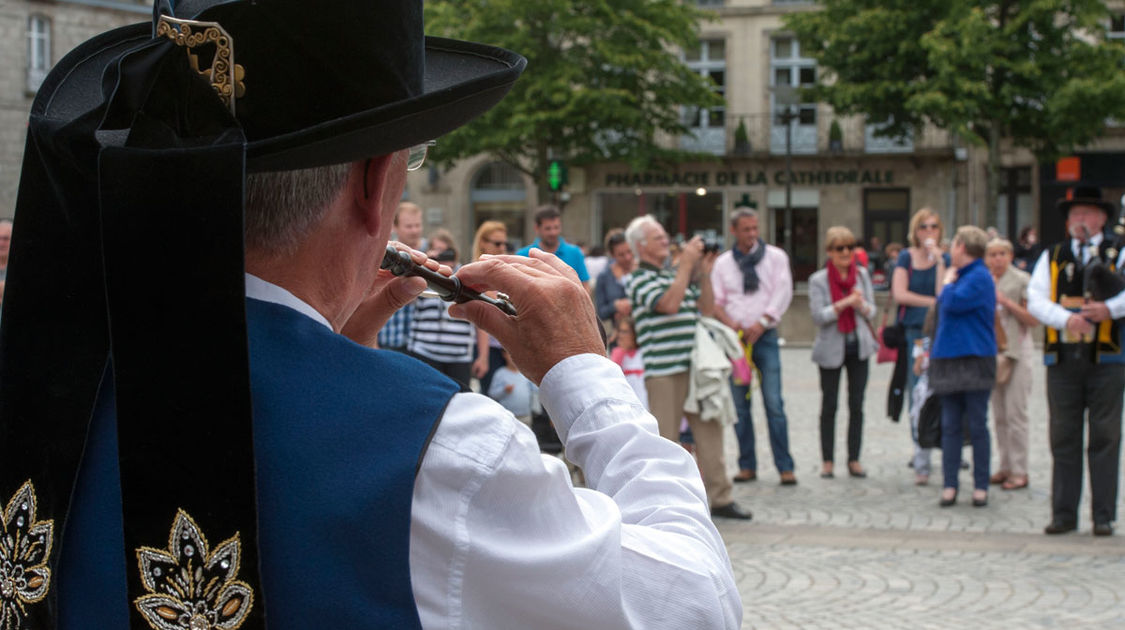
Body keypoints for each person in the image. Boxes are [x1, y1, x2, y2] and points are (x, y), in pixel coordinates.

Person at [7, 2, 741, 627]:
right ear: (375, 182)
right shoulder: (440, 449)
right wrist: (585, 373)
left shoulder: (39, 376)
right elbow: (696, 603)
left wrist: (321, 357)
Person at [626, 214, 751, 520]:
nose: (666, 241)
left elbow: (706, 309)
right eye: (658, 238)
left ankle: (721, 498)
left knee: (710, 431)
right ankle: (665, 501)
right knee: (666, 439)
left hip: (695, 366)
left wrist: (704, 272)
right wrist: (685, 267)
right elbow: (668, 305)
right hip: (664, 371)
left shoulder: (674, 275)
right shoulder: (638, 279)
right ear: (641, 247)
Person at [1028, 186, 1125, 537]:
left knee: (1106, 436)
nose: (1078, 221)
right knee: (1063, 436)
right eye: (1074, 216)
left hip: (1108, 358)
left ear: (1100, 218)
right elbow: (1035, 298)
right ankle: (1064, 513)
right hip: (1064, 357)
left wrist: (1108, 310)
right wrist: (1065, 319)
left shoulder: (1119, 250)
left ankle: (1103, 516)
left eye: (1085, 214)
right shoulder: (1053, 255)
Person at [711, 206, 798, 486]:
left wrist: (761, 323)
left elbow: (782, 292)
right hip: (736, 342)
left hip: (766, 336)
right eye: (746, 229)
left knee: (774, 403)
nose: (751, 234)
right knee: (740, 404)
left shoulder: (775, 257)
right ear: (734, 231)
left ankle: (785, 466)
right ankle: (747, 465)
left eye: (755, 229)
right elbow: (717, 301)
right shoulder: (723, 263)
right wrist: (734, 325)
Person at [931, 226, 996, 508]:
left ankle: (980, 485)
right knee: (950, 425)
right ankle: (950, 483)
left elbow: (952, 303)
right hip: (948, 357)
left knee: (977, 424)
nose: (950, 249)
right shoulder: (959, 276)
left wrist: (946, 282)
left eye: (953, 244)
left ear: (962, 247)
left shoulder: (979, 276)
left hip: (975, 357)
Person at [808, 227, 878, 479]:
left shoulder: (861, 275)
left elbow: (873, 311)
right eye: (840, 248)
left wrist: (860, 305)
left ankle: (854, 459)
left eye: (850, 247)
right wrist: (843, 304)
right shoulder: (818, 280)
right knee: (829, 406)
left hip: (858, 347)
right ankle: (827, 461)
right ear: (829, 252)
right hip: (831, 349)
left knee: (856, 405)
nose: (846, 253)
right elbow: (818, 316)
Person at [891, 208, 949, 485]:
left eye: (934, 226)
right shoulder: (906, 257)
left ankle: (944, 444)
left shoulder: (944, 258)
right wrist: (930, 303)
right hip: (916, 331)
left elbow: (943, 293)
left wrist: (939, 261)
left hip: (941, 332)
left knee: (943, 388)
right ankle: (920, 450)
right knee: (917, 390)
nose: (929, 232)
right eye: (923, 227)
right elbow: (900, 293)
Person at [986, 238, 1038, 491]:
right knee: (999, 414)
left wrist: (1006, 302)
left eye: (1002, 253)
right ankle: (1004, 465)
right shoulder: (984, 279)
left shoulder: (1021, 280)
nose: (997, 259)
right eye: (993, 254)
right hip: (992, 352)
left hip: (1017, 351)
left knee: (1016, 413)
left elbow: (1033, 318)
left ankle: (1019, 470)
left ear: (1009, 256)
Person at [407, 231, 475, 386]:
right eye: (436, 250)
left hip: (459, 355)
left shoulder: (465, 275)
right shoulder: (422, 274)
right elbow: (409, 300)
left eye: (445, 251)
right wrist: (425, 267)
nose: (441, 255)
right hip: (424, 350)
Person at [377, 203, 425, 352]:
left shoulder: (430, 254)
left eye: (417, 225)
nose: (414, 230)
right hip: (388, 338)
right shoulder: (384, 256)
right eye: (409, 226)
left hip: (420, 345)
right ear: (395, 227)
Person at [470, 220, 509, 395]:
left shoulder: (505, 270)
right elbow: (481, 318)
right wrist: (483, 357)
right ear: (483, 243)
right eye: (497, 243)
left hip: (507, 347)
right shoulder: (475, 272)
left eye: (504, 243)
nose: (502, 248)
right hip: (488, 348)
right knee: (491, 398)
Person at [516, 205, 590, 282]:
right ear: (537, 228)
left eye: (556, 227)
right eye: (548, 228)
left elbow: (585, 286)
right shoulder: (523, 255)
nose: (553, 233)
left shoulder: (575, 253)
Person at [594, 229, 635, 334]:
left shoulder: (642, 271)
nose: (627, 258)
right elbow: (601, 313)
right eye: (621, 255)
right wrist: (615, 306)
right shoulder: (604, 277)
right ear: (612, 255)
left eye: (629, 251)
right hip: (620, 338)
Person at [487, 347, 539, 426]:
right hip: (507, 416)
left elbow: (536, 389)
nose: (515, 358)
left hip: (526, 415)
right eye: (511, 354)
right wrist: (504, 390)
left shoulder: (526, 373)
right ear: (504, 355)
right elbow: (492, 394)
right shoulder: (500, 374)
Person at [610, 317, 648, 409]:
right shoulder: (617, 353)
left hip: (646, 403)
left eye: (625, 332)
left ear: (634, 334)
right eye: (619, 331)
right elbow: (612, 375)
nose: (620, 335)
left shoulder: (643, 352)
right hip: (627, 404)